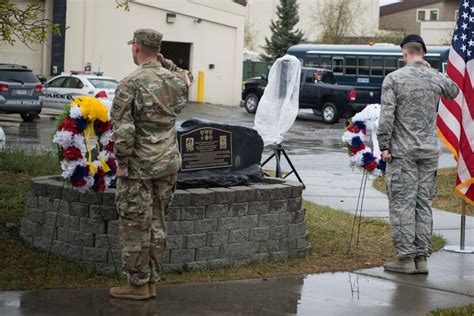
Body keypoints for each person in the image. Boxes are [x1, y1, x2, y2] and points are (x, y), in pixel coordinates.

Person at [109, 29, 190, 300]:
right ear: (157, 50)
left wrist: (121, 162)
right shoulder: (176, 81)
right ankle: (152, 281)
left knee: (135, 224)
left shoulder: (130, 83)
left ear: (136, 48)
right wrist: (165, 63)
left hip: (138, 167)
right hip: (166, 165)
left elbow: (124, 129)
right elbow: (185, 76)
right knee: (157, 222)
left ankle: (137, 285)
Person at [377, 34, 459, 274]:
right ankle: (421, 259)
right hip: (429, 154)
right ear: (423, 53)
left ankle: (405, 260)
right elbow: (453, 91)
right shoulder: (435, 77)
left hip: (402, 154)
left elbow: (387, 116)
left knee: (403, 205)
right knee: (423, 205)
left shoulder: (394, 79)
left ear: (405, 52)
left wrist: (384, 146)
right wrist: (433, 71)